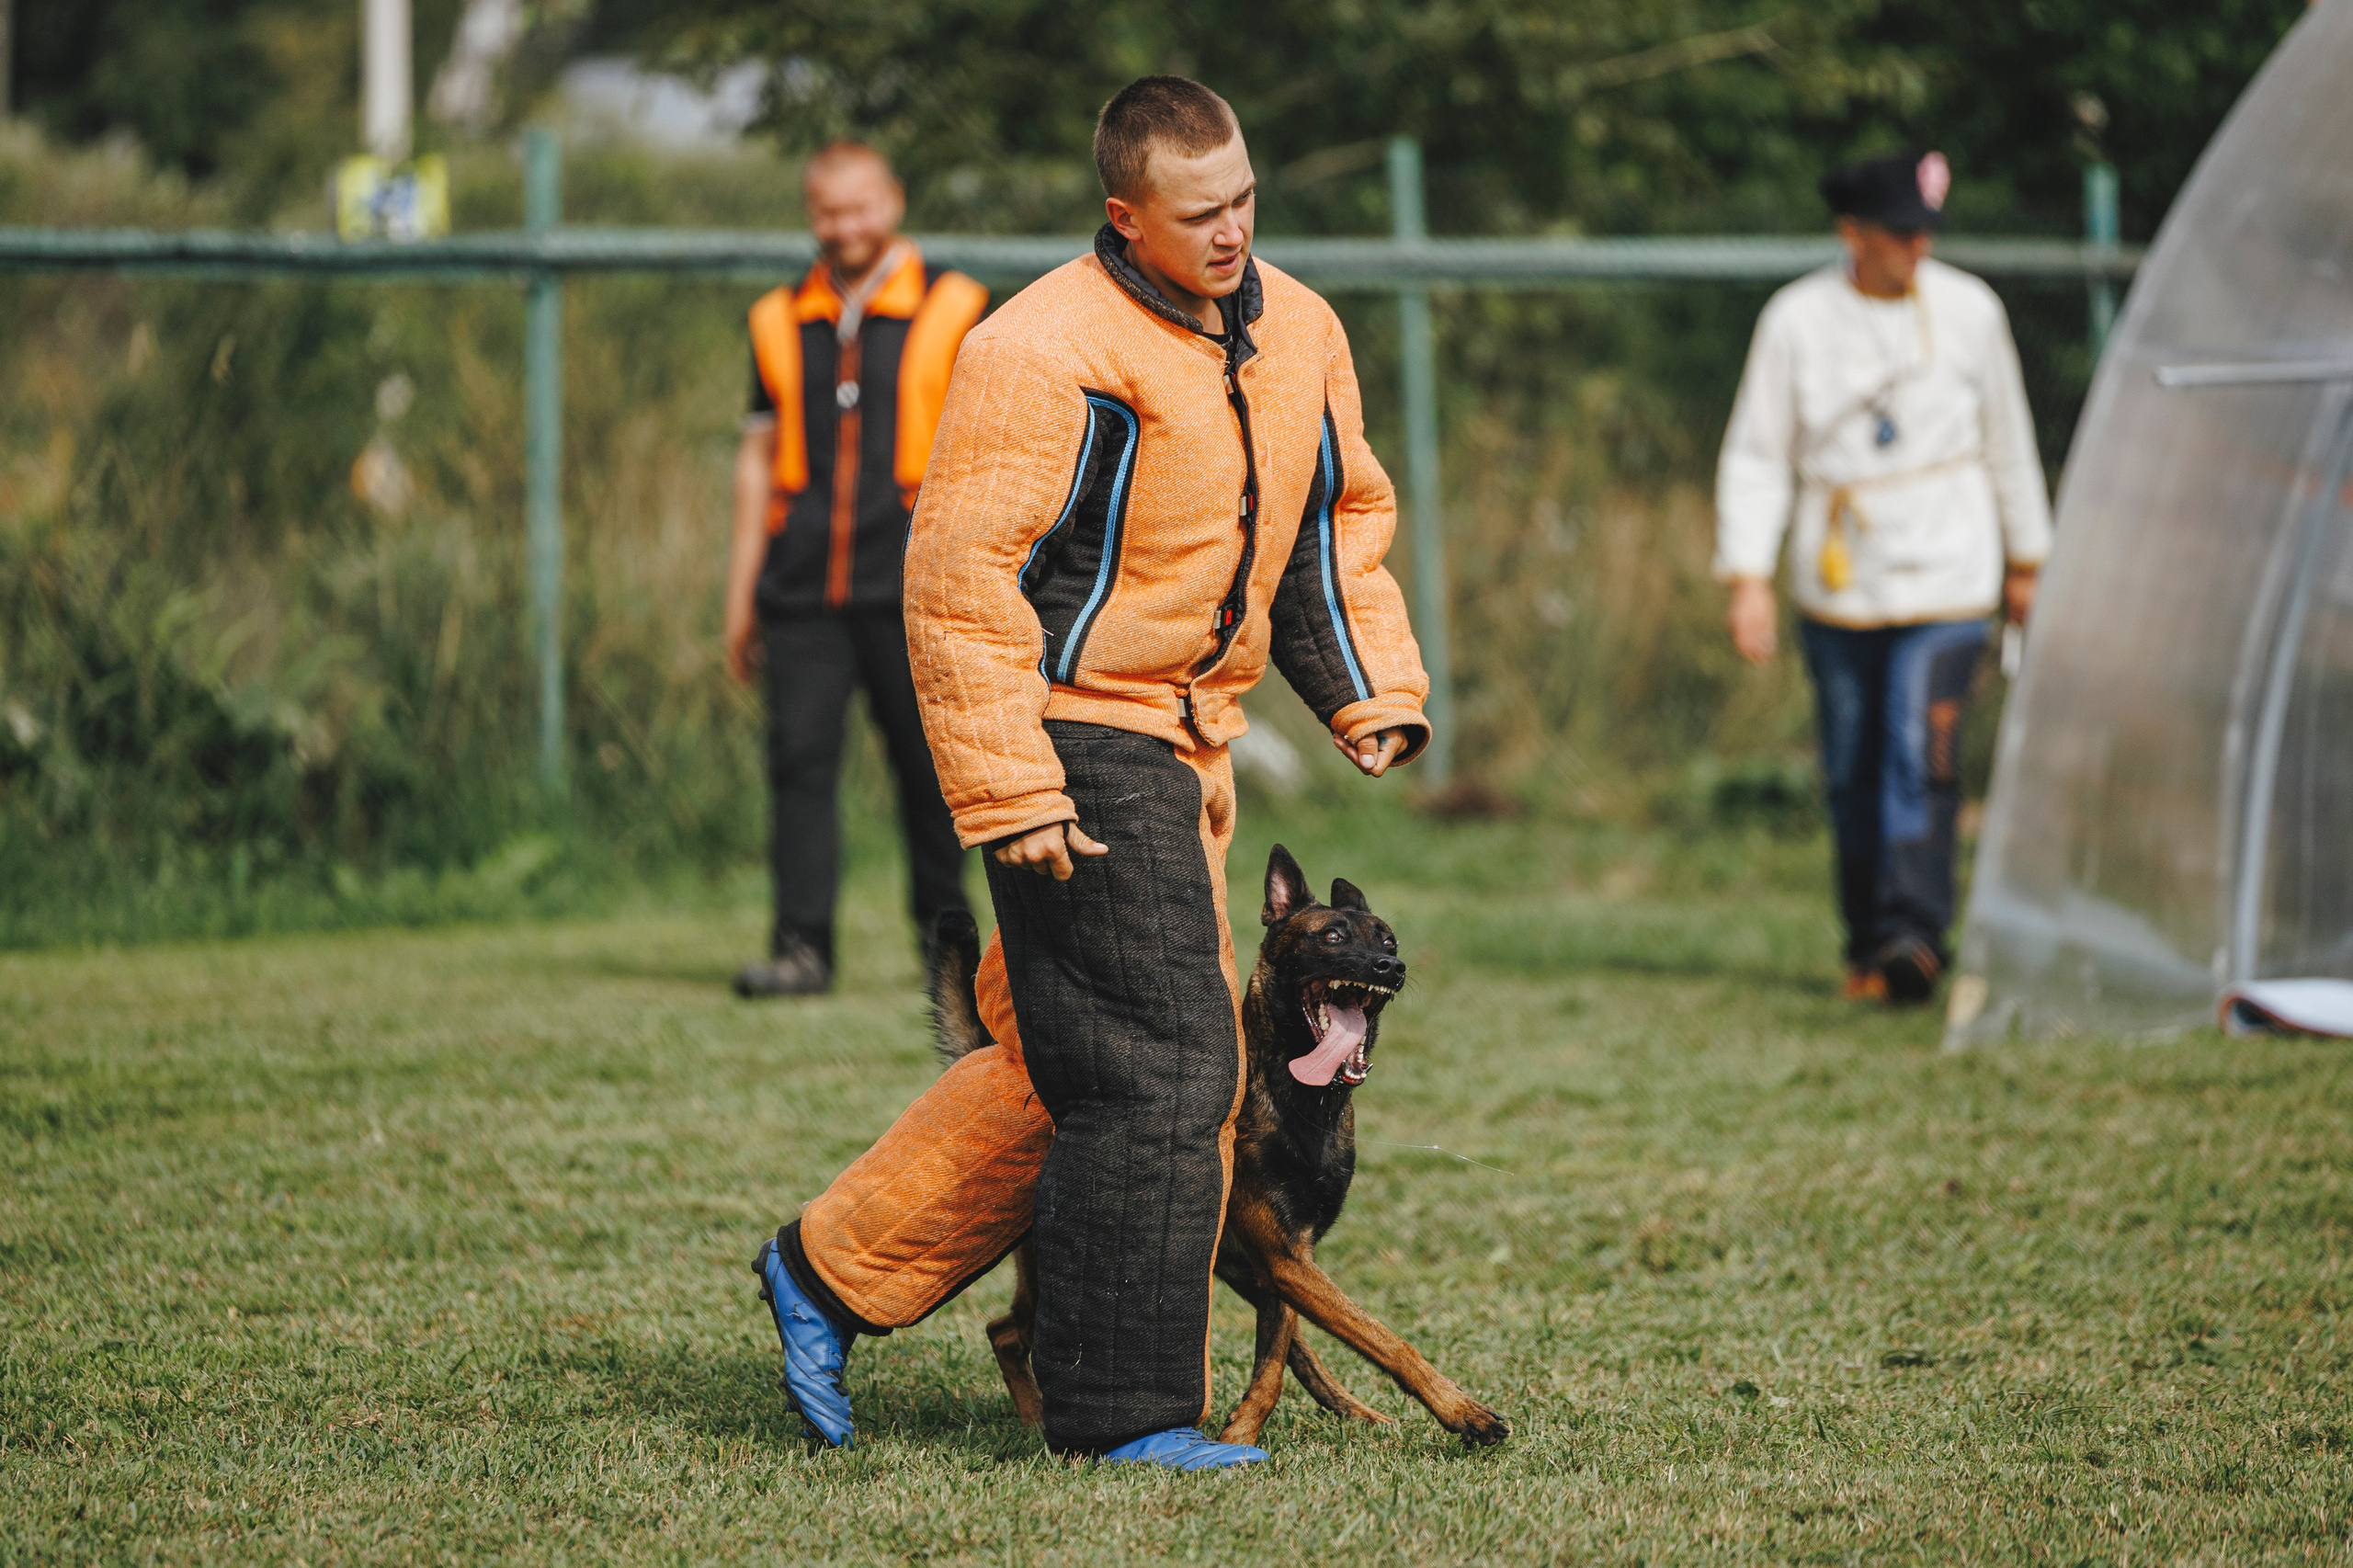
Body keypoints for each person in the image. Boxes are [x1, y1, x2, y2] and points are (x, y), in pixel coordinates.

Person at [751, 75, 1431, 1469]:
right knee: (1172, 1066)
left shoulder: (1298, 329)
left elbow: (1322, 524)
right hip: (1071, 735)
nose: (1236, 231)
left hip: (1193, 744)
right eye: (1201, 214)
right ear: (1125, 217)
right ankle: (1125, 1415)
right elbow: (958, 582)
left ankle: (822, 1276)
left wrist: (1366, 687)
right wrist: (1011, 784)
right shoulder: (1039, 348)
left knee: (1055, 1070)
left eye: (1245, 198)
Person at [1715, 150, 2052, 1006]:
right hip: (1841, 580)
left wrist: (2028, 558)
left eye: (1925, 233)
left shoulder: (1972, 312)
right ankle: (1869, 943)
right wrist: (1747, 576)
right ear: (1853, 234)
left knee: (1917, 751)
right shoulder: (1796, 319)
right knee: (1852, 765)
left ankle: (1914, 931)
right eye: (1901, 233)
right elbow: (1759, 454)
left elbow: (2009, 437)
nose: (1918, 250)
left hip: (1950, 573)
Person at [722, 142, 988, 998]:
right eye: (830, 211)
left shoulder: (961, 306)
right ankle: (801, 950)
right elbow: (757, 464)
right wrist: (741, 598)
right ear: (811, 214)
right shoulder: (774, 320)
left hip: (913, 588)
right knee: (799, 766)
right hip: (801, 592)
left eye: (862, 207)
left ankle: (945, 956)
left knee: (929, 773)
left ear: (895, 201)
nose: (848, 227)